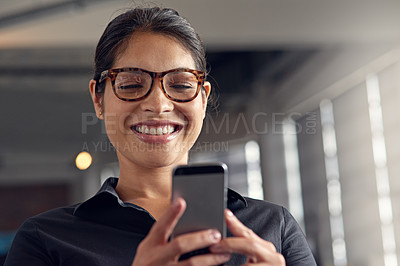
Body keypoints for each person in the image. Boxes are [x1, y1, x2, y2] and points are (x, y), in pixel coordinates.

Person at [5, 7, 316, 266]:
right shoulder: (44, 240)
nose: (158, 104)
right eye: (130, 84)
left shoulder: (273, 228)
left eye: (181, 85)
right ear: (98, 100)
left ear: (203, 99)